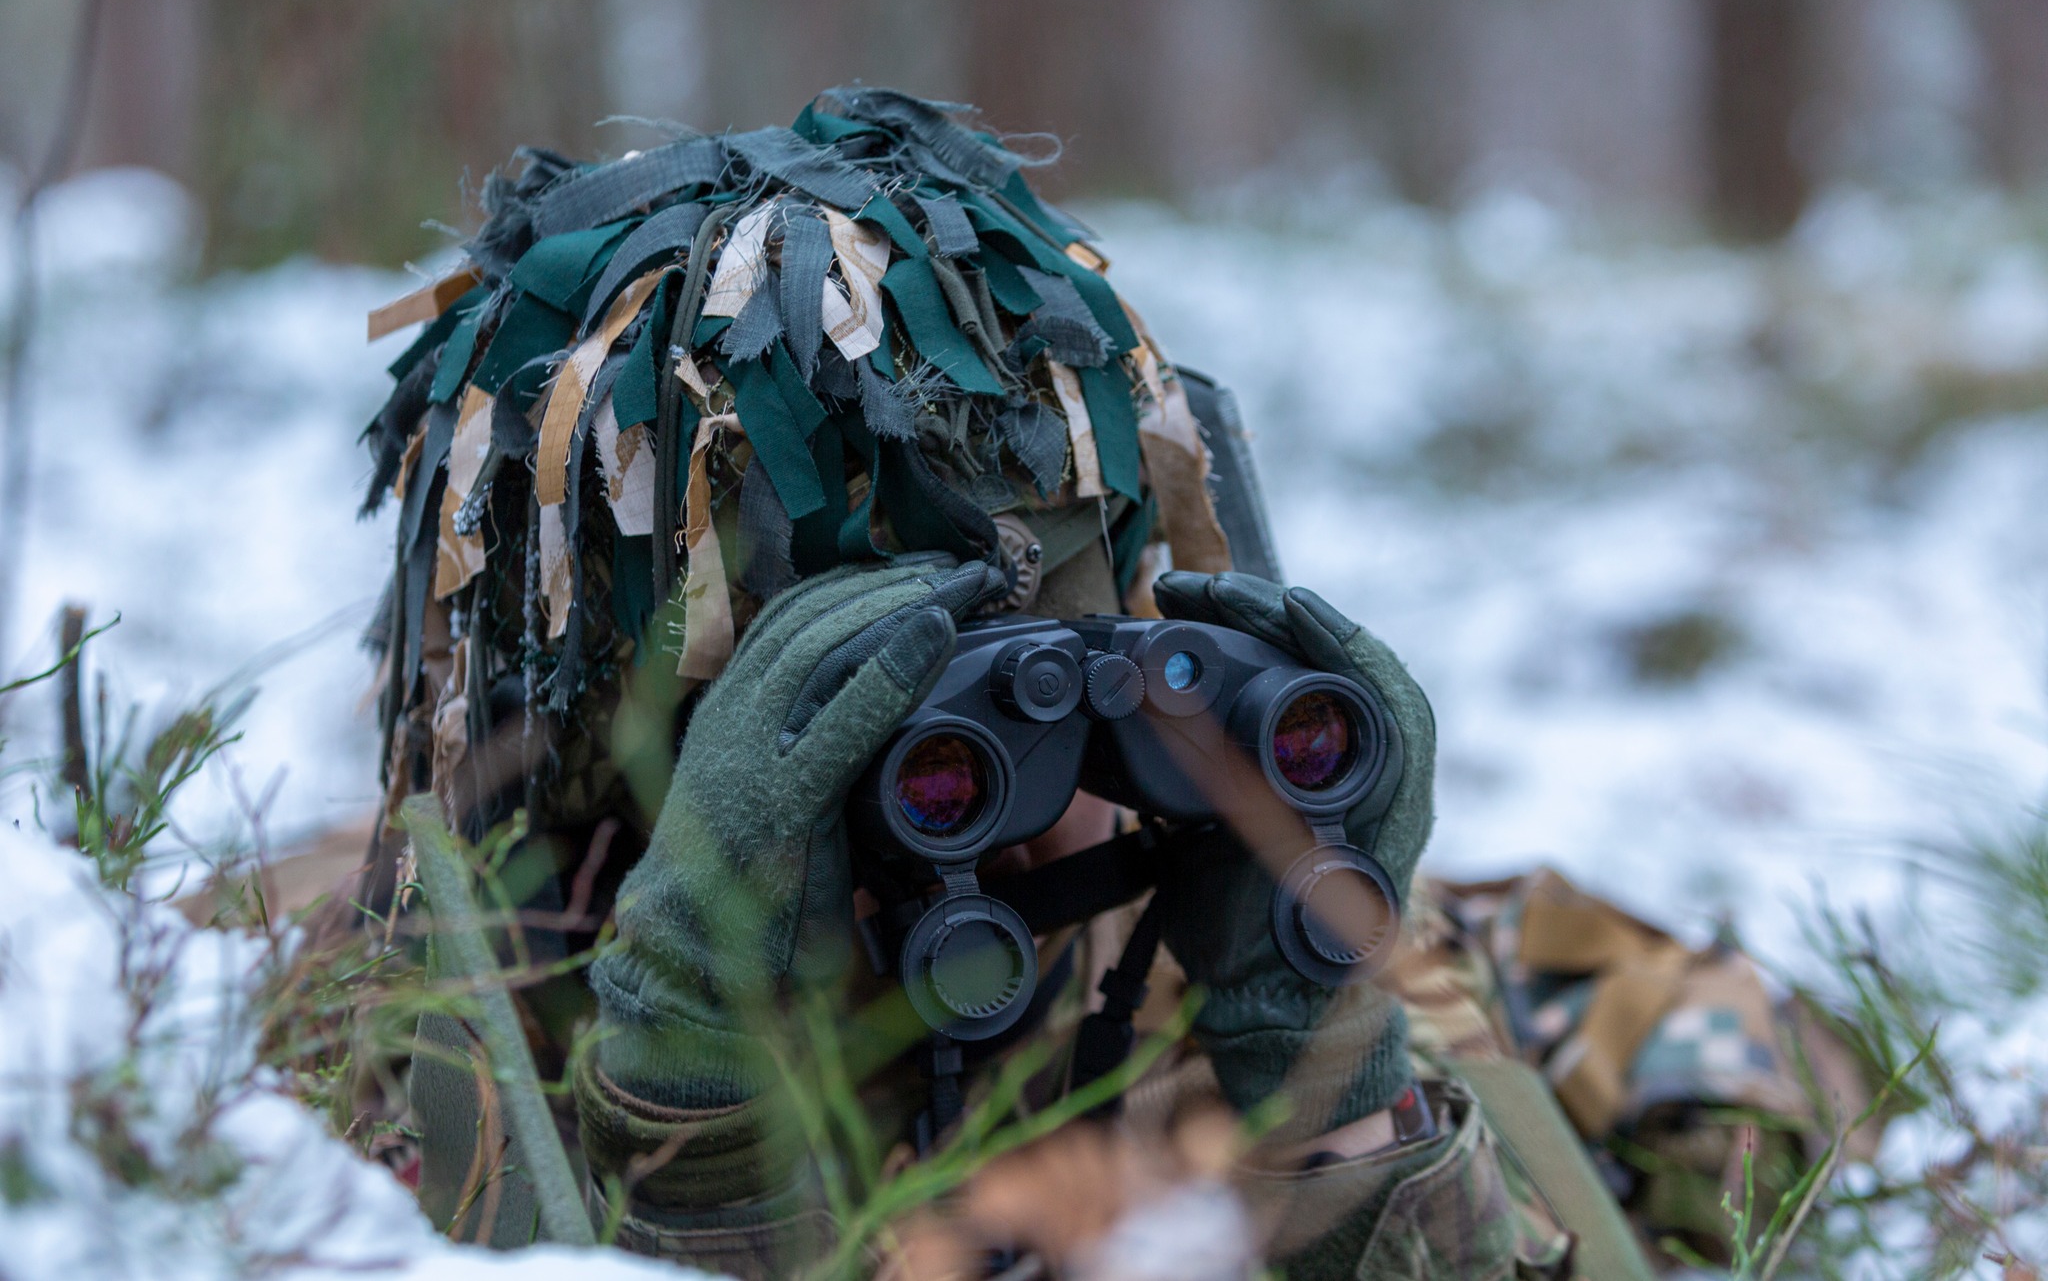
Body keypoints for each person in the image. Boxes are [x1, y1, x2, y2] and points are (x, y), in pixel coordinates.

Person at [361, 88, 1838, 1278]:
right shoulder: (399, 1046)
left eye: (1064, 674)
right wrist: (695, 1093)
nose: (1003, 805)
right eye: (877, 731)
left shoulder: (1184, 958)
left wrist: (1328, 1075)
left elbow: (1758, 1062)